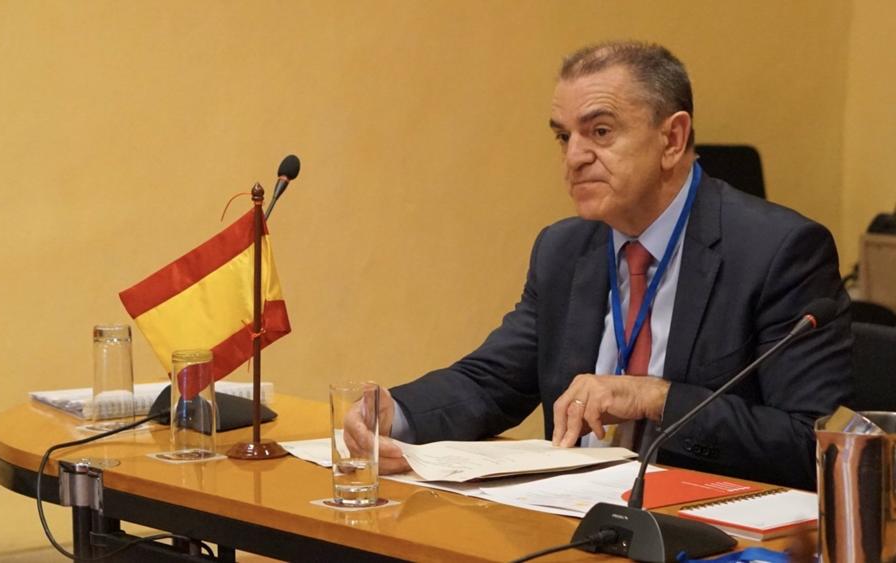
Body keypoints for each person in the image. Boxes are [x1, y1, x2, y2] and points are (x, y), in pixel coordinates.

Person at [346, 41, 851, 490]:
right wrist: (399, 411)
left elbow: (809, 445)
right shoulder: (565, 248)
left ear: (672, 140)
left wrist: (657, 397)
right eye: (564, 137)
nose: (574, 158)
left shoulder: (778, 250)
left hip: (705, 532)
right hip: (572, 519)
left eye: (600, 131)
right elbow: (492, 381)